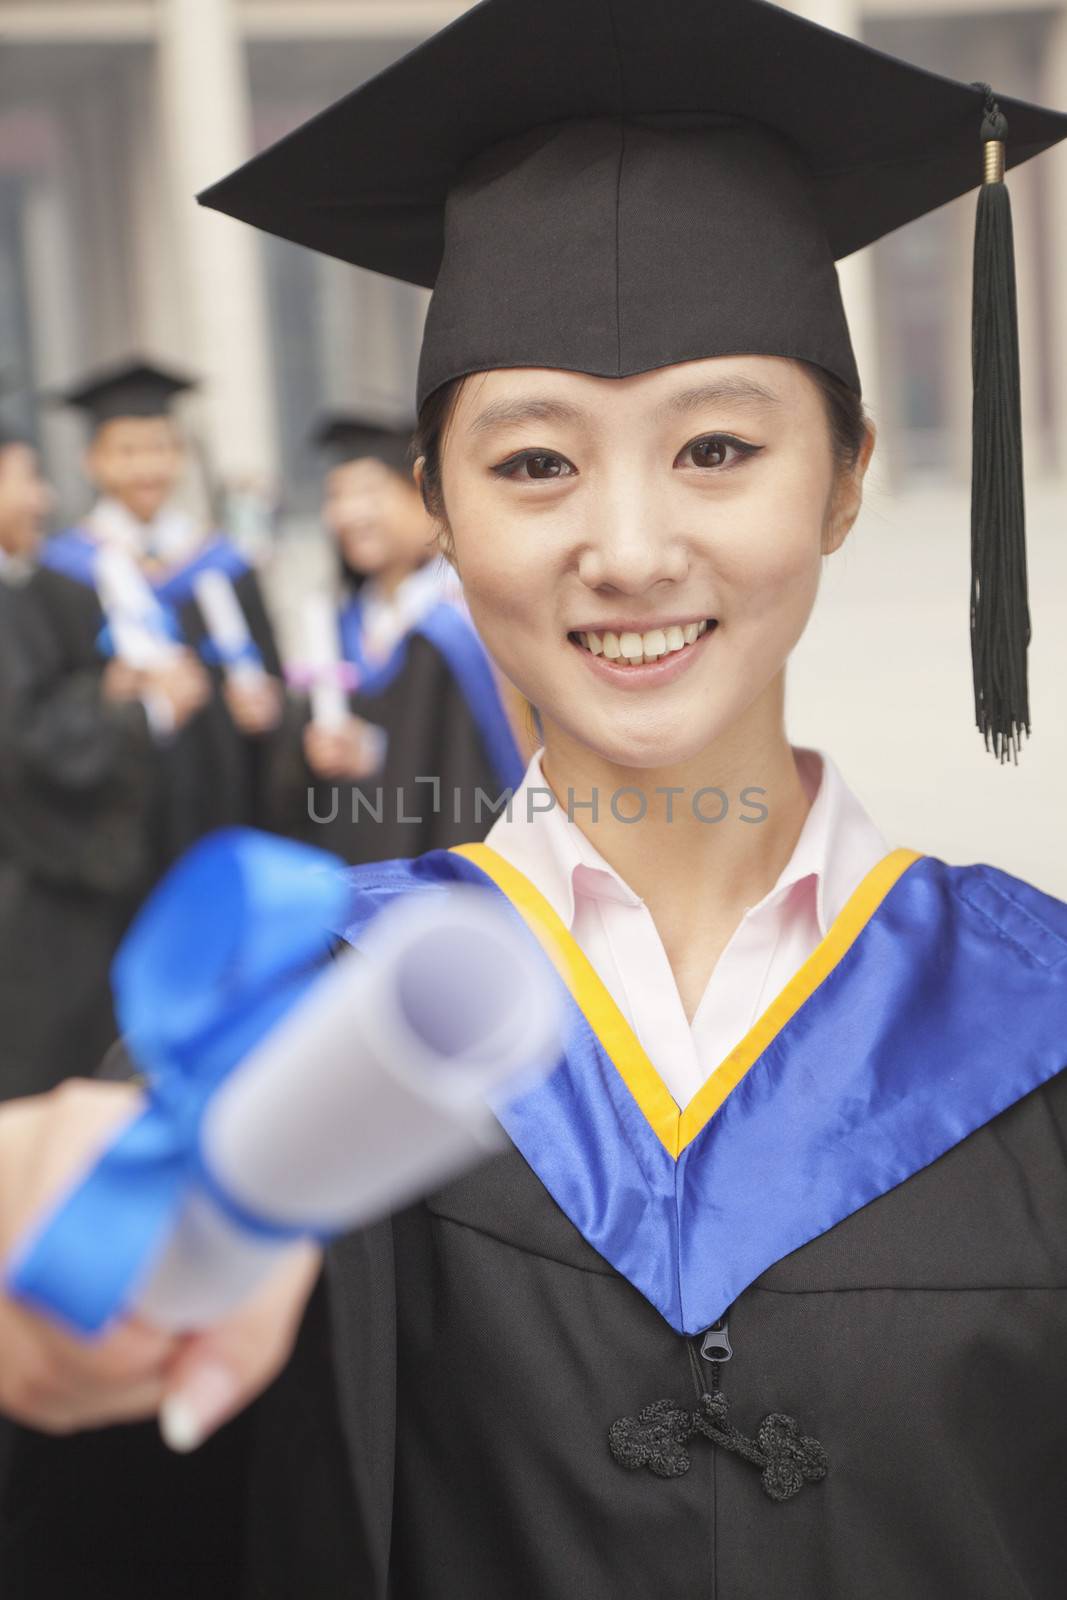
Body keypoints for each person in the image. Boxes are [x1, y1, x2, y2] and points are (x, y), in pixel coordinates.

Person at [2, 2, 1067, 1596]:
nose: (628, 549)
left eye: (715, 447)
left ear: (845, 475)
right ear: (435, 505)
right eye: (532, 464)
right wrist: (62, 1335)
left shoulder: (1033, 1016)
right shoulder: (284, 1032)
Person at [0, 424, 210, 1099]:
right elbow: (28, 748)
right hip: (31, 907)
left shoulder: (25, 587)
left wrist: (111, 687)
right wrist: (150, 714)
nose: (44, 497)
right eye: (27, 477)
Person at [39, 359, 286, 860]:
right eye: (127, 451)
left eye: (160, 448)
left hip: (221, 811)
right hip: (113, 833)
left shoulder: (222, 563)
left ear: (180, 456)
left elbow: (271, 680)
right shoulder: (62, 573)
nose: (147, 467)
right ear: (94, 462)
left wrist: (270, 710)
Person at [271, 410, 528, 862]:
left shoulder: (459, 625)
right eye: (337, 495)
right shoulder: (337, 626)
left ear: (424, 498)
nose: (350, 514)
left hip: (445, 864)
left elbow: (468, 772)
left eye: (370, 492)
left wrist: (378, 756)